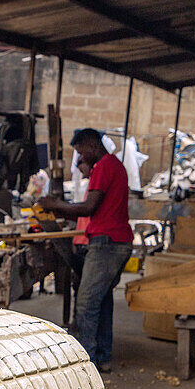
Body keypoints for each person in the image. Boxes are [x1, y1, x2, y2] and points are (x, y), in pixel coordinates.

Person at [35, 128, 133, 372]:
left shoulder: (104, 166)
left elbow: (89, 207)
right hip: (116, 240)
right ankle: (103, 356)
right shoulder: (114, 165)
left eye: (80, 152)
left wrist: (55, 203)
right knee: (102, 300)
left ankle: (87, 364)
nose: (80, 158)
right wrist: (60, 209)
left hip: (107, 243)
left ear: (90, 145)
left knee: (87, 303)